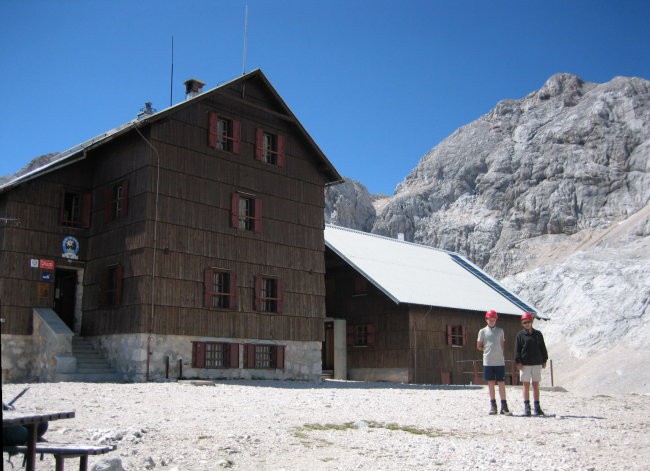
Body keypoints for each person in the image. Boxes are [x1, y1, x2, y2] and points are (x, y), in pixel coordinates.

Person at [477, 309, 511, 415]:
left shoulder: (500, 331)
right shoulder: (482, 331)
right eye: (490, 319)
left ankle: (504, 406)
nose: (492, 321)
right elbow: (479, 345)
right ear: (486, 319)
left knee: (501, 383)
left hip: (499, 361)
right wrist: (487, 350)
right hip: (488, 361)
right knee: (490, 383)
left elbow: (502, 344)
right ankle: (493, 405)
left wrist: (498, 351)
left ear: (496, 320)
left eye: (494, 319)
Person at [514, 312, 549, 416]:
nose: (526, 324)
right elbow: (517, 350)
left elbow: (543, 347)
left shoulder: (538, 334)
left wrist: (544, 360)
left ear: (532, 321)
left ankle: (537, 407)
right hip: (524, 364)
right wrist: (518, 361)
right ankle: (527, 407)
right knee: (525, 384)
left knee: (535, 385)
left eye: (528, 322)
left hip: (537, 363)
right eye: (524, 322)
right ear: (522, 323)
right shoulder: (520, 335)